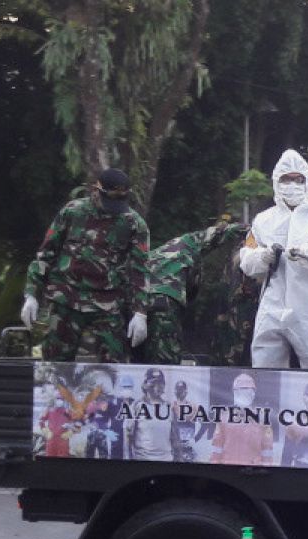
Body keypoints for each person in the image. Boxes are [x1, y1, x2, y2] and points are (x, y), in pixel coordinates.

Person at [20, 168, 152, 363]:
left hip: (108, 303)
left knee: (115, 366)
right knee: (54, 366)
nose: (113, 207)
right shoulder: (72, 212)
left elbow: (140, 271)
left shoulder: (133, 224)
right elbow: (46, 253)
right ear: (96, 191)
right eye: (110, 201)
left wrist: (140, 313)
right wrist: (31, 293)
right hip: (66, 297)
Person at [239, 149, 308, 369]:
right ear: (277, 182)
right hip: (272, 304)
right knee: (265, 368)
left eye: (299, 179)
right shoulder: (263, 220)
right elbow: (246, 260)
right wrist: (263, 257)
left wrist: (307, 252)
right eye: (287, 179)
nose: (292, 185)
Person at [143, 220, 248, 366]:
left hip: (138, 302)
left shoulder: (163, 251)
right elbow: (220, 233)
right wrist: (250, 228)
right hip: (164, 300)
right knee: (166, 361)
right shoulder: (189, 245)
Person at [211, 372, 274, 465]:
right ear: (235, 393)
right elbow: (217, 446)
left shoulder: (262, 418)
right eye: (240, 392)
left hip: (253, 469)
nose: (244, 395)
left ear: (253, 394)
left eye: (247, 392)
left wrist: (266, 468)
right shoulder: (224, 416)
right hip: (228, 467)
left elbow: (267, 448)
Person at [126, 367, 173, 461]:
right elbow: (128, 436)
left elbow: (175, 437)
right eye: (153, 382)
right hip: (142, 460)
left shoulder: (169, 406)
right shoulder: (136, 406)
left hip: (166, 460)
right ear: (145, 385)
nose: (157, 386)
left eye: (160, 383)